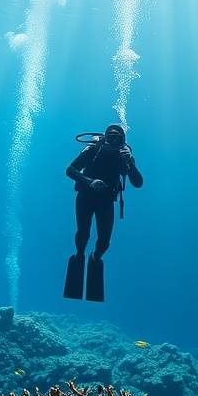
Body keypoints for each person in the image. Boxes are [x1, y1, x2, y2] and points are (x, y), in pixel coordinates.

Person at [63, 124, 143, 301]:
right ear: (105, 137)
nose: (114, 140)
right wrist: (89, 181)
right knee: (83, 234)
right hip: (85, 196)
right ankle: (80, 255)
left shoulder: (125, 158)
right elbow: (70, 170)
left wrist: (131, 163)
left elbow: (138, 183)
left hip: (106, 201)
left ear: (123, 141)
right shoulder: (93, 149)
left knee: (104, 243)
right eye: (111, 136)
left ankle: (94, 257)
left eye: (118, 138)